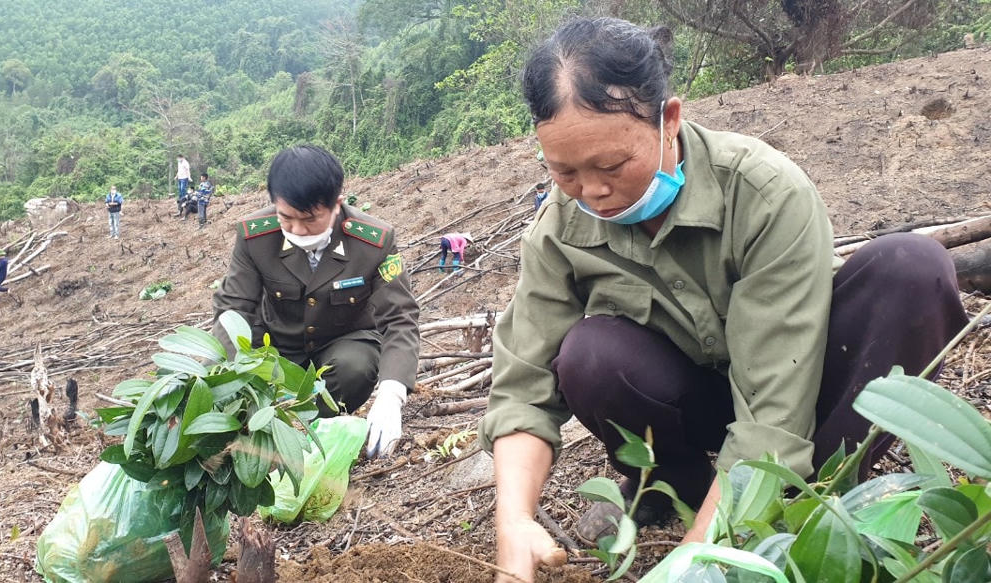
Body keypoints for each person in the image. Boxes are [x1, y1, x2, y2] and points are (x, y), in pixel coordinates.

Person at [480, 17, 968, 582]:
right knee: (591, 353)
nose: (592, 191)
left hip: (806, 395)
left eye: (612, 166)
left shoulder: (762, 193)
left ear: (670, 119)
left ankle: (834, 487)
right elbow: (522, 387)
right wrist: (513, 521)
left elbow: (774, 409)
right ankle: (669, 489)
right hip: (699, 402)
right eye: (564, 172)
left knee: (913, 269)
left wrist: (695, 559)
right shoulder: (561, 228)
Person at [212, 145, 420, 458]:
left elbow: (400, 317)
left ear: (336, 204)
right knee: (247, 371)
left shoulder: (374, 241)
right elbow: (233, 310)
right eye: (286, 218)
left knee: (355, 367)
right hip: (277, 345)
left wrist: (392, 394)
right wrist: (218, 382)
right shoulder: (255, 237)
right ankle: (271, 430)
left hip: (344, 342)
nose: (297, 230)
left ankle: (313, 435)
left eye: (309, 220)